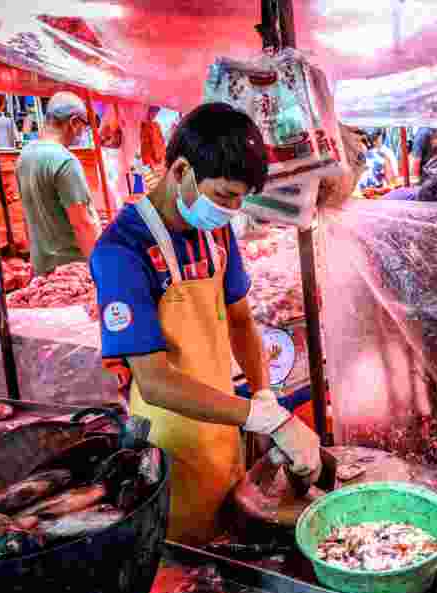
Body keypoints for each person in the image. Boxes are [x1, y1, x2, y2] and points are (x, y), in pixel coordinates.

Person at [89, 103, 321, 545]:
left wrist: (263, 396)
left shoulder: (215, 233)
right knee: (183, 565)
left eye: (240, 199)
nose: (232, 210)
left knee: (231, 541)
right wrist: (265, 420)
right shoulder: (121, 252)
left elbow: (239, 320)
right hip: (169, 443)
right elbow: (155, 382)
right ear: (181, 170)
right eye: (225, 196)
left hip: (223, 427)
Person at [15, 92, 101, 276]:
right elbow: (82, 224)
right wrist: (101, 271)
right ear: (74, 122)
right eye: (83, 127)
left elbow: (26, 219)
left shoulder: (24, 157)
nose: (81, 134)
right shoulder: (65, 160)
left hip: (42, 271)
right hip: (72, 272)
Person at [140, 105, 166, 172]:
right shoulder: (143, 125)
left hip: (159, 157)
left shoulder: (156, 125)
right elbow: (144, 145)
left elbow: (162, 140)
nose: (154, 114)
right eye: (153, 112)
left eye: (156, 112)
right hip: (151, 158)